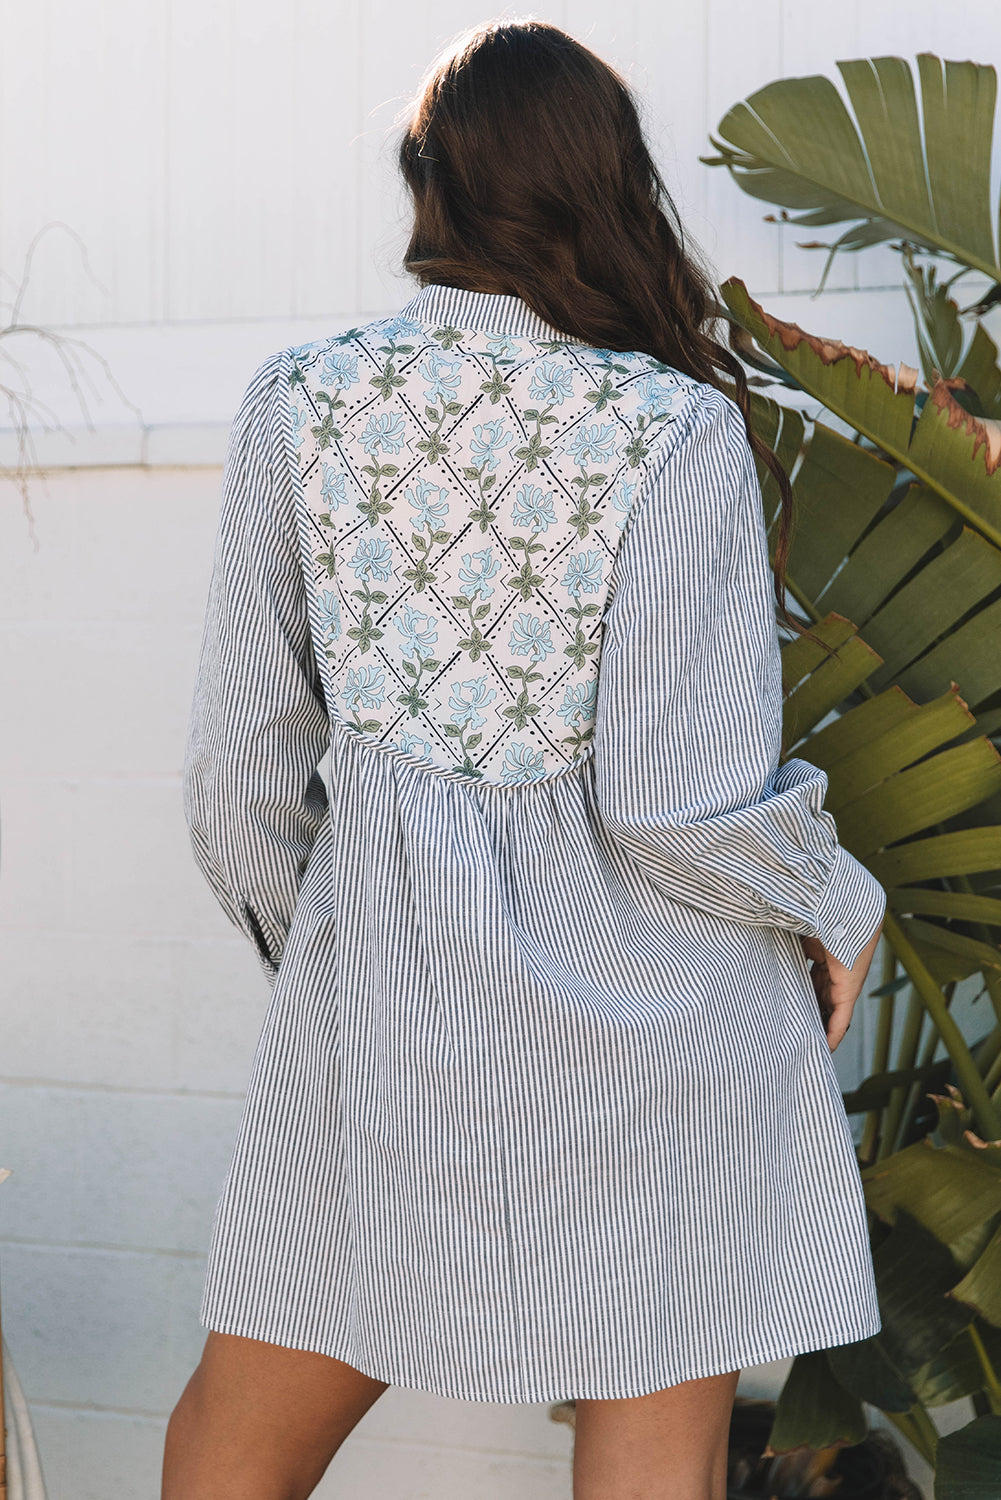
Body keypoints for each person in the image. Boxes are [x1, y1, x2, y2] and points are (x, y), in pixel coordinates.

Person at [162, 18, 885, 1500]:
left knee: (237, 1448)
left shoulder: (299, 406)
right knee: (647, 1447)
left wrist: (371, 963)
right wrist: (835, 899)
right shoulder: (672, 430)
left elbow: (235, 788)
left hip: (391, 1023)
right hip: (660, 1042)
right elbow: (678, 805)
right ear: (611, 184)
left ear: (423, 179)